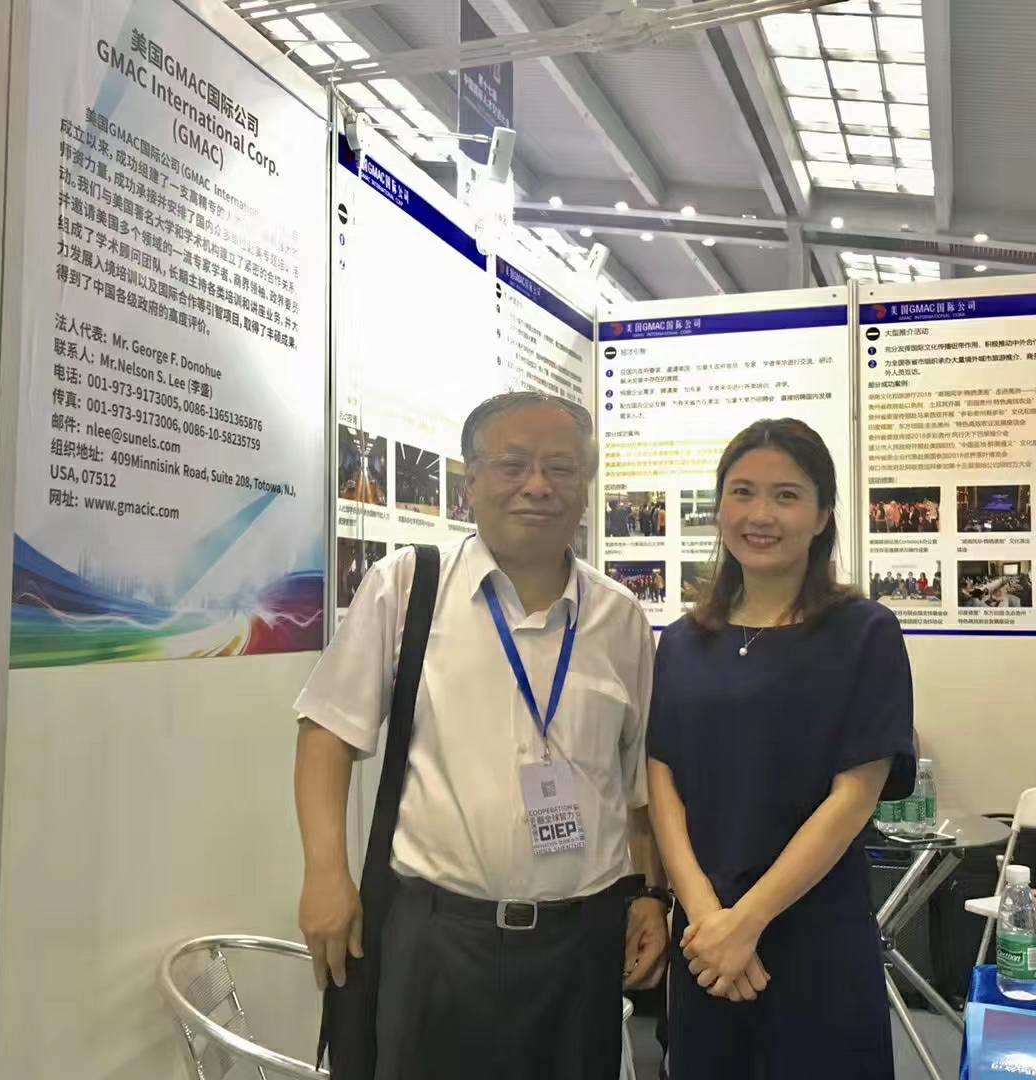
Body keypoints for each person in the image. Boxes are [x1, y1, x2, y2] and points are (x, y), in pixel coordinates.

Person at [293, 391, 670, 1080]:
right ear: (471, 481)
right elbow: (327, 733)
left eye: (560, 468)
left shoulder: (620, 619)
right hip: (439, 938)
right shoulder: (407, 587)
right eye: (513, 464)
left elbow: (638, 784)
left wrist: (650, 893)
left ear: (586, 486)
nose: (538, 485)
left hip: (582, 945)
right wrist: (325, 874)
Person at [646, 418, 916, 1079]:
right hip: (705, 940)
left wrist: (748, 921)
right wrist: (708, 918)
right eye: (742, 492)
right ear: (719, 508)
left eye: (786, 495)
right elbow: (662, 780)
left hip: (814, 931)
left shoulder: (864, 633)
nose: (760, 515)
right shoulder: (682, 641)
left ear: (822, 516)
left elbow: (854, 795)